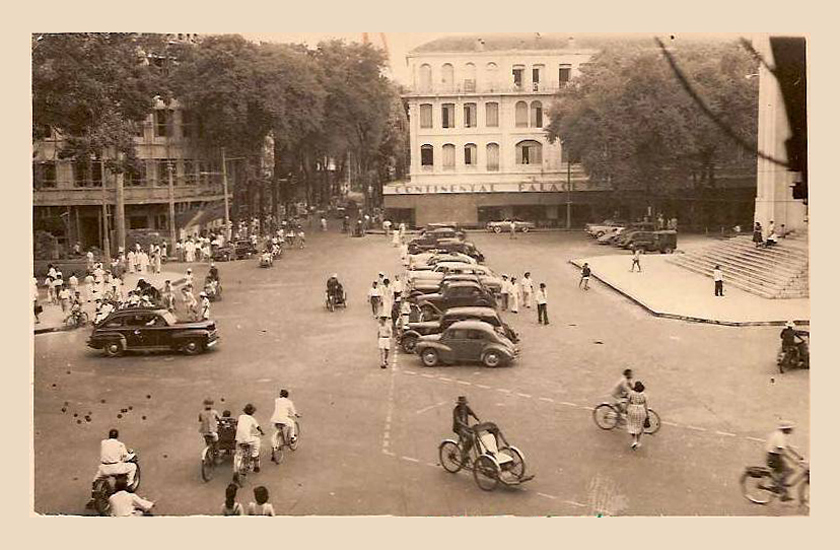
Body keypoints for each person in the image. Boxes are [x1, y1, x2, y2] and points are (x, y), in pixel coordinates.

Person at [765, 421, 804, 500]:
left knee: (786, 471)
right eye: (790, 429)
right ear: (786, 429)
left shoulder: (779, 434)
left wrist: (798, 456)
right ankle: (776, 487)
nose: (791, 430)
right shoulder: (780, 437)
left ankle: (781, 490)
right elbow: (782, 451)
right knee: (789, 471)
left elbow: (787, 447)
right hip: (774, 457)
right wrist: (793, 460)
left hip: (774, 456)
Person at [235, 404, 265, 476]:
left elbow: (237, 423)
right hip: (247, 439)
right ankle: (255, 455)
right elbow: (258, 427)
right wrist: (262, 432)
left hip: (238, 439)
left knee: (239, 453)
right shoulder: (252, 419)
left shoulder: (241, 417)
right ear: (252, 412)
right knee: (257, 440)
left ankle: (238, 466)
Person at [270, 389, 299, 462]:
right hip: (283, 419)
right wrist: (295, 414)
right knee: (292, 423)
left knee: (276, 432)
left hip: (275, 419)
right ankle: (292, 438)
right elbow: (293, 411)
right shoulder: (289, 402)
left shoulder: (276, 400)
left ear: (280, 395)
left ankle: (274, 448)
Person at [452, 396, 480, 464]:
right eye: (462, 404)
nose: (463, 405)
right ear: (459, 404)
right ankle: (464, 453)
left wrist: (478, 419)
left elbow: (472, 413)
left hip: (465, 427)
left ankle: (465, 451)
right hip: (459, 428)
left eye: (464, 403)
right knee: (470, 438)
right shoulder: (456, 410)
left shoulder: (466, 408)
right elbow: (458, 421)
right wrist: (466, 427)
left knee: (475, 437)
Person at [626, 381, 649, 450]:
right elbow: (645, 405)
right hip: (641, 411)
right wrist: (647, 414)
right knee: (639, 427)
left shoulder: (631, 393)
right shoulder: (644, 395)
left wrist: (625, 410)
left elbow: (627, 402)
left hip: (632, 410)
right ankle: (638, 441)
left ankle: (634, 440)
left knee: (632, 425)